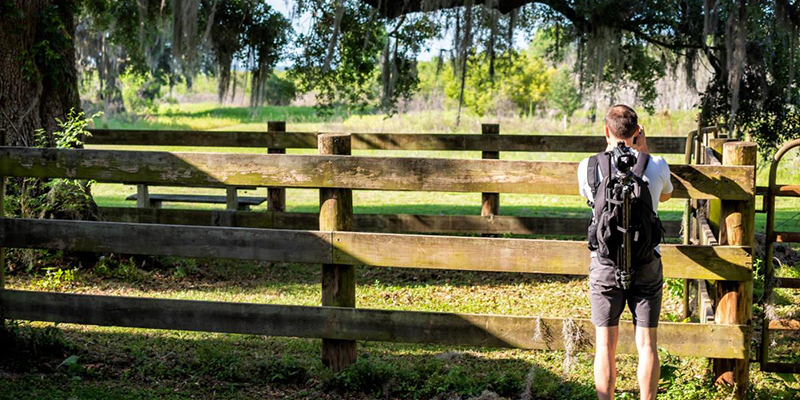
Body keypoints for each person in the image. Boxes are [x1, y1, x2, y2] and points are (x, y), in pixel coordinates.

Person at [577, 104, 673, 400]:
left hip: (605, 263)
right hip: (646, 262)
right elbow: (666, 195)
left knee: (605, 345)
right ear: (636, 130)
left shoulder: (588, 166)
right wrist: (643, 150)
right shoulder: (656, 164)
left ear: (606, 131)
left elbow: (590, 200)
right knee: (647, 344)